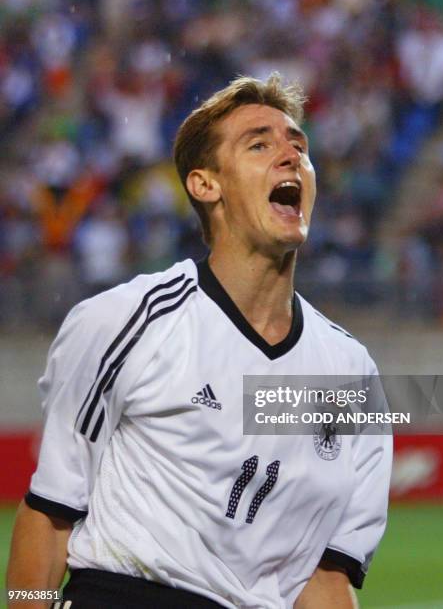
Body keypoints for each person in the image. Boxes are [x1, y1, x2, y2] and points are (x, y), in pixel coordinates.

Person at [7, 74, 392, 609]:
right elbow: (49, 516)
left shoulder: (350, 374)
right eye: (260, 144)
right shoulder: (127, 321)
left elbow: (326, 580)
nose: (290, 156)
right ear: (205, 185)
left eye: (299, 146)